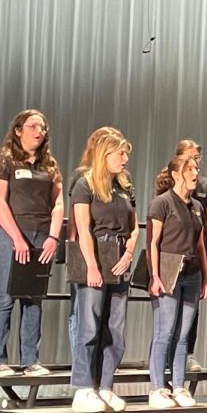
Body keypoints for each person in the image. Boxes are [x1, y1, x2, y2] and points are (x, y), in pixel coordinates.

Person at [0, 110, 64, 377]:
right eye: (33, 126)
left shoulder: (48, 165)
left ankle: (30, 360)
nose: (39, 131)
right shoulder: (4, 161)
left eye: (42, 127)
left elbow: (59, 203)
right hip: (9, 235)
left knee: (33, 299)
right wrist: (17, 238)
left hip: (42, 236)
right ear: (18, 130)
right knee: (5, 297)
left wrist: (53, 237)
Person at [69, 129, 139, 413]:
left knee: (115, 328)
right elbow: (83, 229)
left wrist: (130, 253)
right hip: (95, 252)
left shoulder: (124, 185)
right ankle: (84, 388)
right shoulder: (85, 185)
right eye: (120, 154)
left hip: (120, 255)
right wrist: (92, 266)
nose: (125, 159)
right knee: (89, 325)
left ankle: (106, 386)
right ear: (105, 154)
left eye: (126, 154)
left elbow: (134, 226)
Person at [145, 152, 207, 408]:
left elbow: (200, 244)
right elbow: (152, 242)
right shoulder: (162, 203)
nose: (195, 173)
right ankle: (157, 388)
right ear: (175, 174)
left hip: (191, 274)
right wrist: (155, 276)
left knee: (183, 335)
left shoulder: (196, 207)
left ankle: (179, 386)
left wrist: (205, 277)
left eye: (196, 169)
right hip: (168, 273)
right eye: (189, 169)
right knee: (165, 332)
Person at [66, 126, 121, 358]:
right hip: (85, 245)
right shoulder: (83, 178)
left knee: (107, 317)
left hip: (110, 250)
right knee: (82, 311)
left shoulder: (119, 181)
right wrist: (75, 251)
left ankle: (98, 372)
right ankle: (81, 368)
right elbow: (78, 219)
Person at [178, 140, 207, 374]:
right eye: (191, 157)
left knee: (193, 307)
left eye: (198, 159)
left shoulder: (205, 185)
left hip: (196, 249)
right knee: (169, 308)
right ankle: (167, 354)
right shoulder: (168, 178)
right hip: (173, 251)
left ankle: (188, 354)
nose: (195, 162)